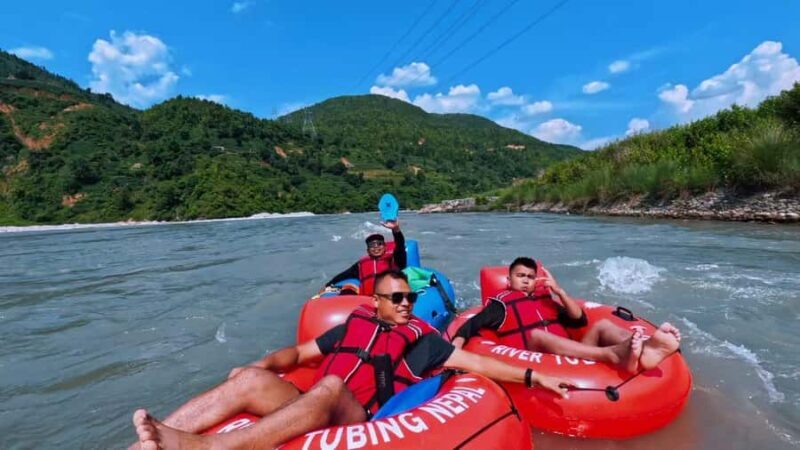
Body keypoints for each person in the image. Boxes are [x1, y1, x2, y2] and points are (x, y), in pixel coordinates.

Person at [130, 270, 571, 450]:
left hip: (357, 415)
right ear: (376, 301)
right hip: (312, 400)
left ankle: (211, 448)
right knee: (246, 377)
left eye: (410, 297)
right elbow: (299, 354)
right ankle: (147, 443)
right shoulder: (353, 325)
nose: (405, 304)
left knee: (330, 387)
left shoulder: (420, 337)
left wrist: (534, 375)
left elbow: (477, 363)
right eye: (396, 297)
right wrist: (264, 366)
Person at [452, 257, 681, 374]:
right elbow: (467, 329)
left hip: (575, 355)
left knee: (602, 324)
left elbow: (579, 320)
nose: (525, 280)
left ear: (536, 281)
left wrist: (559, 291)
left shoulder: (545, 301)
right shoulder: (500, 305)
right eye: (520, 276)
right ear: (509, 280)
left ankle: (646, 347)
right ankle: (613, 355)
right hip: (540, 361)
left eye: (530, 277)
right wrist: (454, 358)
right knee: (539, 336)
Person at [326, 220, 406, 296]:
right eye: (372, 245)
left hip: (388, 299)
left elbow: (400, 245)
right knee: (348, 287)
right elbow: (344, 275)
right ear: (368, 250)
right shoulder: (361, 264)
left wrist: (396, 229)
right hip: (366, 299)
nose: (376, 247)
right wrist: (328, 286)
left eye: (379, 243)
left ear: (385, 247)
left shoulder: (394, 259)